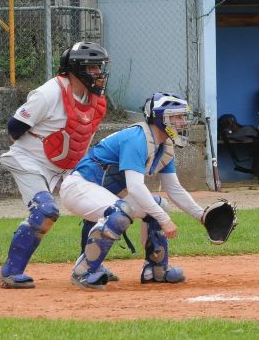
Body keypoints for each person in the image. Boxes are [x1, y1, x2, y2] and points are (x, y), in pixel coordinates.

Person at [60, 92, 205, 290]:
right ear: (160, 117)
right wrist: (164, 219)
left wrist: (202, 216)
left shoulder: (164, 145)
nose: (182, 122)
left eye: (182, 117)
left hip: (102, 190)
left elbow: (174, 189)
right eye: (176, 116)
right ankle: (83, 271)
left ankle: (155, 270)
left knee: (158, 205)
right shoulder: (138, 137)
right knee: (122, 213)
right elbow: (136, 187)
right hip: (78, 186)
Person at [0, 41, 109, 289]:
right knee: (45, 211)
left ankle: (90, 265)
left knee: (100, 205)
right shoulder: (49, 93)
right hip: (30, 161)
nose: (98, 73)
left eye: (99, 67)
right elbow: (14, 128)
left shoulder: (97, 100)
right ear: (75, 69)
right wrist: (41, 148)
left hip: (68, 165)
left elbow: (84, 137)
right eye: (92, 67)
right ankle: (11, 272)